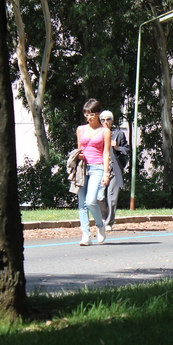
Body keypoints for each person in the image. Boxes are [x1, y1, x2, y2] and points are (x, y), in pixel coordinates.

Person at [76, 98, 110, 246]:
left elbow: (106, 153)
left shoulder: (105, 131)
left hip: (97, 167)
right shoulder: (80, 129)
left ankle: (100, 225)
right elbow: (79, 148)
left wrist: (106, 173)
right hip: (82, 167)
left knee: (91, 201)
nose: (89, 117)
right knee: (82, 203)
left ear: (98, 114)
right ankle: (86, 235)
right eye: (86, 114)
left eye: (92, 114)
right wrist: (78, 156)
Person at [97, 110, 130, 232]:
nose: (106, 122)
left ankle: (109, 222)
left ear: (112, 121)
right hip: (100, 168)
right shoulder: (97, 134)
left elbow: (127, 150)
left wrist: (116, 147)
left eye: (108, 119)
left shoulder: (118, 134)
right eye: (103, 120)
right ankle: (104, 218)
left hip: (114, 168)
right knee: (98, 196)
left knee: (112, 197)